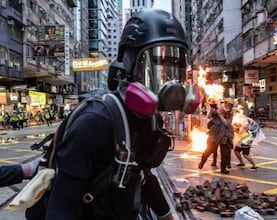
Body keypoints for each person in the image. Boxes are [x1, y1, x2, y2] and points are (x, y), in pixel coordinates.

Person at [41, 9, 199, 220]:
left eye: (174, 68)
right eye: (155, 67)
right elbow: (60, 210)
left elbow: (141, 174)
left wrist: (167, 215)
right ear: (128, 62)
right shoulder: (94, 123)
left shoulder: (152, 119)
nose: (167, 83)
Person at [198, 102, 228, 171]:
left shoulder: (224, 118)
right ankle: (202, 162)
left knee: (224, 153)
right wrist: (212, 111)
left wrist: (219, 114)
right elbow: (208, 117)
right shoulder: (214, 117)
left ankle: (223, 167)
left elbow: (225, 123)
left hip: (222, 137)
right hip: (213, 136)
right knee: (209, 151)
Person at [232, 105, 259, 170]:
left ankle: (254, 166)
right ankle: (241, 162)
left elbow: (246, 126)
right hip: (242, 138)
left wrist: (239, 126)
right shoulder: (238, 118)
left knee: (245, 154)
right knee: (236, 151)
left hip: (246, 138)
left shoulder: (244, 119)